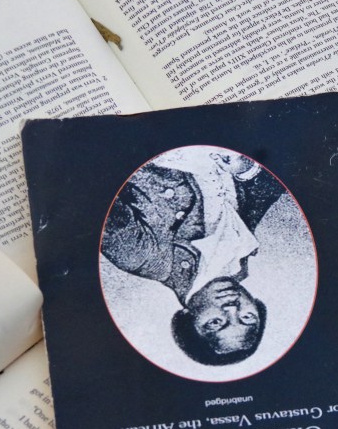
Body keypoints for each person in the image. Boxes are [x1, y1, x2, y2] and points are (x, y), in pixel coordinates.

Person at [101, 151, 284, 365]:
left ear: (187, 317)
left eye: (216, 322)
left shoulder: (140, 256)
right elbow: (272, 186)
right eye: (247, 317)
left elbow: (93, 180)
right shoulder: (240, 251)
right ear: (257, 307)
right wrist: (246, 170)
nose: (232, 308)